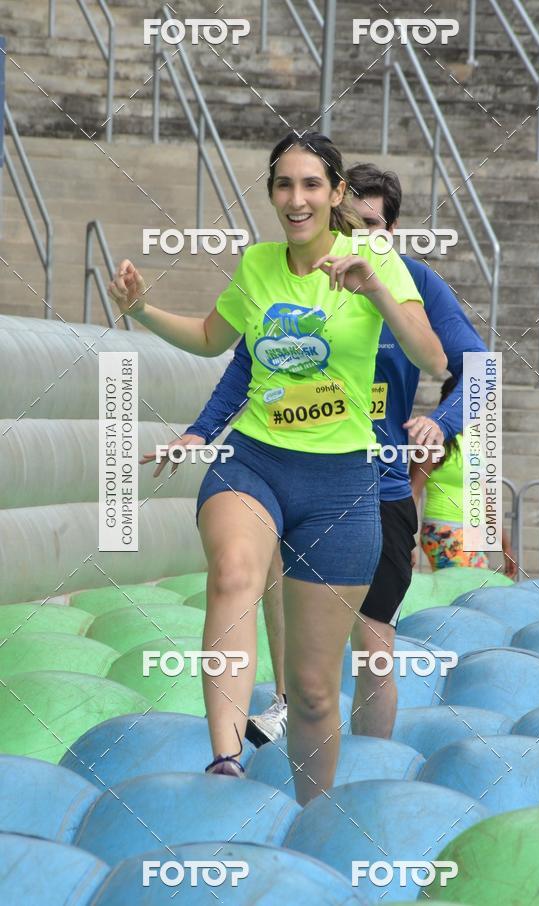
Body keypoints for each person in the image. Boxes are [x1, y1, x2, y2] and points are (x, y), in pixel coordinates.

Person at [109, 132, 446, 805]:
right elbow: (212, 339)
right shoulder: (259, 264)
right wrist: (141, 310)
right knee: (234, 572)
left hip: (341, 484)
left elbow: (433, 358)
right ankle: (226, 760)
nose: (297, 198)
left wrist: (375, 289)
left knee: (314, 693)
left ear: (336, 192)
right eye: (284, 184)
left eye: (312, 184)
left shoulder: (376, 257)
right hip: (254, 461)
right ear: (270, 193)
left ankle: (309, 818)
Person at [167, 162, 489, 746]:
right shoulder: (298, 274)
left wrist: (439, 423)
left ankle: (369, 762)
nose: (357, 239)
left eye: (372, 227)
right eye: (350, 225)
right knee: (269, 593)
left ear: (391, 232)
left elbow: (477, 370)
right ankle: (284, 711)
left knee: (372, 647)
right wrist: (201, 431)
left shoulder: (410, 283)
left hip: (376, 487)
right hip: (291, 473)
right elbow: (245, 363)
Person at [411, 376, 518, 578]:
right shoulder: (433, 438)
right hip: (444, 529)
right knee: (467, 588)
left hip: (472, 533)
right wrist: (406, 539)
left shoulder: (473, 438)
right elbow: (413, 491)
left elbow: (487, 499)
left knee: (469, 590)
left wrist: (506, 546)